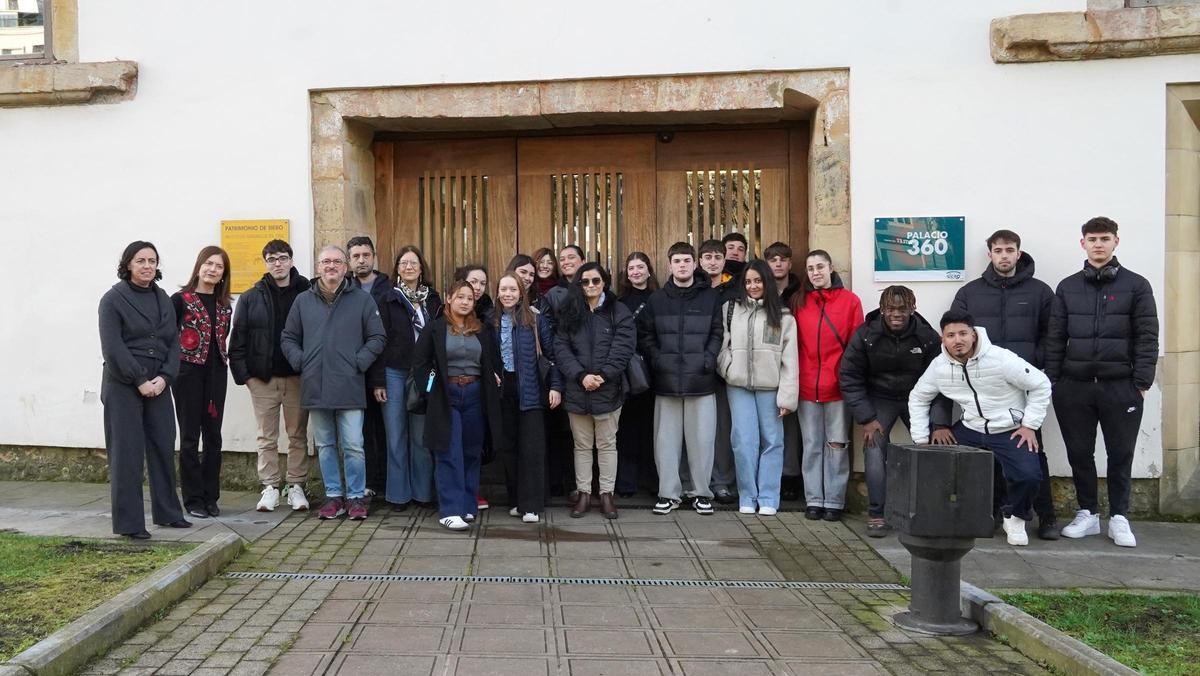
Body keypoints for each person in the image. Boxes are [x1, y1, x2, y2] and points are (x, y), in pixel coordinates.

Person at [1046, 217, 1158, 548]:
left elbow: (1147, 335)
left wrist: (1142, 380)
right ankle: (1088, 514)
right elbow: (1056, 337)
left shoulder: (1137, 285)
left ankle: (1120, 518)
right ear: (1082, 243)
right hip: (1074, 386)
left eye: (1104, 238)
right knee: (1079, 452)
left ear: (1116, 242)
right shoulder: (1067, 287)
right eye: (1092, 239)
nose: (1098, 244)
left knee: (1120, 453)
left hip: (1120, 385)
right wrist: (1054, 381)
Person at [909, 311, 1052, 546]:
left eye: (963, 333)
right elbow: (918, 397)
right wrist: (922, 439)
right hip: (970, 428)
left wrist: (1029, 425)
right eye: (951, 335)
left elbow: (1041, 384)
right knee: (935, 463)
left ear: (974, 335)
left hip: (1009, 429)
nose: (958, 340)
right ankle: (946, 517)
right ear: (942, 339)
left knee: (1028, 476)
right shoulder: (939, 366)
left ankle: (1015, 516)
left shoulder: (1001, 359)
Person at [951, 229, 1059, 539]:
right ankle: (998, 511)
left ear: (1018, 253)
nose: (1004, 256)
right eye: (998, 250)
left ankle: (1046, 516)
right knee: (991, 452)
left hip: (1026, 386)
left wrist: (1036, 364)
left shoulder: (1040, 292)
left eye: (1009, 250)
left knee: (1032, 449)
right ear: (990, 255)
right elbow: (957, 334)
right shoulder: (970, 293)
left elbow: (1052, 336)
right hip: (986, 388)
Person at [281, 245, 386, 520]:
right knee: (326, 445)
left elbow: (377, 337)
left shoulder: (362, 300)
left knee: (353, 445)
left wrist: (358, 362)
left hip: (350, 384)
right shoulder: (303, 301)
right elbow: (288, 337)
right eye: (325, 261)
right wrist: (302, 362)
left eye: (337, 261)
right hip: (316, 385)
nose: (331, 266)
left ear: (345, 267)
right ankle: (333, 497)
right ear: (317, 267)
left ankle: (355, 497)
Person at [99, 241, 190, 539]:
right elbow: (113, 348)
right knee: (127, 453)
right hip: (123, 383)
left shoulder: (163, 298)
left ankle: (168, 513)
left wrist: (165, 377)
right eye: (141, 260)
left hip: (159, 382)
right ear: (128, 264)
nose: (148, 266)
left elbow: (172, 342)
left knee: (163, 445)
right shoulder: (112, 300)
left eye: (152, 261)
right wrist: (139, 380)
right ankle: (129, 524)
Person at [839, 286, 947, 537]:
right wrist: (867, 417)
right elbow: (849, 376)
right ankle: (877, 513)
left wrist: (940, 422)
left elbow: (943, 380)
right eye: (890, 308)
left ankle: (934, 512)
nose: (896, 314)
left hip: (918, 398)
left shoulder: (927, 336)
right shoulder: (866, 334)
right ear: (882, 308)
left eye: (902, 308)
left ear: (913, 307)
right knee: (874, 445)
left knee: (934, 447)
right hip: (880, 398)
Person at [638, 242, 723, 516]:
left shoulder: (710, 298)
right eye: (677, 261)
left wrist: (708, 359)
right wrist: (658, 359)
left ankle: (701, 494)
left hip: (701, 380)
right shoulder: (657, 299)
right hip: (667, 381)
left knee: (702, 441)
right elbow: (647, 335)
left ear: (694, 263)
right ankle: (668, 494)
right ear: (670, 264)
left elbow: (717, 333)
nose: (682, 265)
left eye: (687, 260)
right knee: (666, 441)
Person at [413, 280, 506, 530]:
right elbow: (420, 365)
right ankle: (449, 509)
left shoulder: (482, 330)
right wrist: (431, 390)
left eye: (469, 298)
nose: (465, 302)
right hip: (446, 396)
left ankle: (466, 506)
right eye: (460, 297)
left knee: (471, 452)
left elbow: (494, 361)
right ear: (449, 298)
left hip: (476, 395)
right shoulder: (435, 328)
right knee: (449, 451)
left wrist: (494, 376)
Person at [230, 240, 313, 513]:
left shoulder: (307, 291)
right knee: (266, 436)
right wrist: (246, 377)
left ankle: (296, 485)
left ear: (291, 260)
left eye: (282, 258)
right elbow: (238, 338)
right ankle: (270, 487)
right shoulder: (252, 296)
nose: (277, 263)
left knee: (297, 434)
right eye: (271, 259)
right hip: (263, 379)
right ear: (265, 263)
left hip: (297, 377)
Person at [717, 259, 799, 516]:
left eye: (758, 280)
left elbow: (790, 359)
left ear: (767, 282)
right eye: (748, 281)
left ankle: (768, 498)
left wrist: (787, 397)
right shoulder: (730, 309)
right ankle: (747, 495)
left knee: (773, 442)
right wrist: (728, 369)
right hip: (739, 386)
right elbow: (721, 346)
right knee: (743, 442)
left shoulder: (784, 316)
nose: (753, 286)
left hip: (770, 388)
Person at [555, 263, 637, 519]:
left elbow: (623, 349)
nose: (590, 286)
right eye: (585, 282)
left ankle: (606, 494)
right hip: (577, 389)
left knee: (607, 444)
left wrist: (601, 376)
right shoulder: (569, 311)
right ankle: (583, 494)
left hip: (608, 390)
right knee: (581, 445)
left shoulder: (618, 311)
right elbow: (561, 347)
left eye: (595, 281)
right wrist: (581, 376)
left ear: (604, 282)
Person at [369, 246, 443, 512]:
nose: (409, 267)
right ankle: (398, 496)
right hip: (393, 373)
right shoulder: (388, 299)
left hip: (424, 375)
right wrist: (378, 381)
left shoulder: (433, 300)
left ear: (421, 268)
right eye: (404, 263)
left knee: (421, 436)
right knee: (396, 435)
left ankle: (423, 494)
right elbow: (378, 342)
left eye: (414, 263)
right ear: (397, 269)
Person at [792, 250, 863, 522]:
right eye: (810, 268)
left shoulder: (850, 301)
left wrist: (846, 379)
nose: (815, 272)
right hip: (807, 385)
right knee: (811, 444)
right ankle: (814, 499)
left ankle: (834, 500)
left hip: (837, 387)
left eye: (820, 266)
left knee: (837, 444)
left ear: (831, 268)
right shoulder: (800, 302)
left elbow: (855, 346)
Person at [494, 273, 562, 523]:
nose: (508, 294)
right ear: (498, 292)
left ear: (521, 293)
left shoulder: (535, 319)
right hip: (504, 391)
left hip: (531, 390)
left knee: (531, 449)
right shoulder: (491, 320)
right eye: (504, 289)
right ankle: (516, 500)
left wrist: (555, 386)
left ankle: (531, 505)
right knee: (509, 448)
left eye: (513, 289)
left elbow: (551, 355)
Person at [170, 246, 232, 519]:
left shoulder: (224, 306)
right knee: (189, 437)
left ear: (223, 274)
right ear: (199, 266)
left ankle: (211, 497)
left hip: (217, 375)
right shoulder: (180, 300)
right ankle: (193, 499)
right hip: (187, 375)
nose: (213, 270)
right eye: (209, 264)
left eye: (219, 267)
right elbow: (168, 338)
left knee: (214, 437)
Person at [347, 235, 389, 501]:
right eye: (356, 256)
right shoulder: (343, 287)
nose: (361, 260)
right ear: (349, 260)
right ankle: (363, 483)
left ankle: (383, 483)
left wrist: (380, 378)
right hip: (351, 371)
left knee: (382, 430)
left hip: (382, 370)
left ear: (373, 256)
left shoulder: (388, 288)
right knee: (356, 433)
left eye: (366, 255)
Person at [615, 252, 660, 497]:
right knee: (627, 428)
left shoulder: (659, 298)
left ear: (649, 270)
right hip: (628, 371)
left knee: (652, 429)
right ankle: (626, 482)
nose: (636, 272)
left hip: (653, 370)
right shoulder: (619, 301)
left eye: (640, 267)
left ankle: (652, 481)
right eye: (631, 267)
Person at [697, 239, 738, 504]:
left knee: (723, 430)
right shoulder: (693, 287)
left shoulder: (736, 289)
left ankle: (721, 481)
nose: (712, 261)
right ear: (700, 261)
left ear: (724, 261)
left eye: (717, 257)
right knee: (697, 430)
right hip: (696, 368)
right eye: (707, 257)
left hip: (725, 368)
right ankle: (695, 481)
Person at [764, 242, 805, 502]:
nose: (778, 264)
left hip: (797, 362)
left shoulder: (801, 293)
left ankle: (790, 476)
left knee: (790, 428)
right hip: (766, 367)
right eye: (773, 259)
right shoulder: (761, 291)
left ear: (790, 263)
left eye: (783, 259)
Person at [545, 244, 584, 313]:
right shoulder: (552, 294)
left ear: (583, 262)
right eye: (562, 259)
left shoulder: (593, 286)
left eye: (571, 257)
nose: (566, 262)